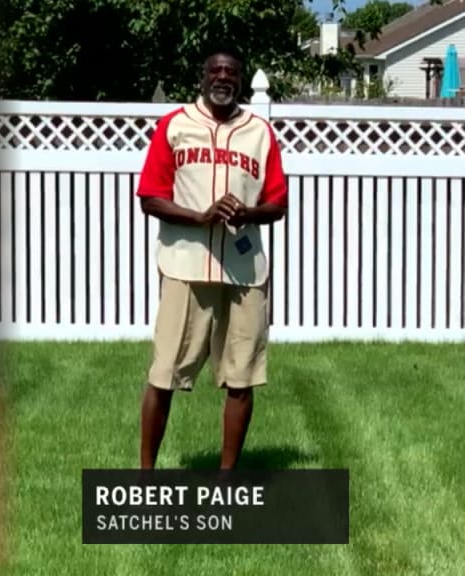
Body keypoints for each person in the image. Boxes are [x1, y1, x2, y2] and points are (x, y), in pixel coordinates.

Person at [135, 46, 288, 470]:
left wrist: (248, 212)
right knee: (165, 372)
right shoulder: (176, 125)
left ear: (239, 80)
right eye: (215, 70)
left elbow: (278, 203)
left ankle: (227, 477)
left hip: (244, 269)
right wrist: (200, 217)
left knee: (241, 376)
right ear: (202, 76)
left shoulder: (259, 132)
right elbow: (150, 197)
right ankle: (145, 474)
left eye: (231, 72)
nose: (223, 78)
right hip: (185, 263)